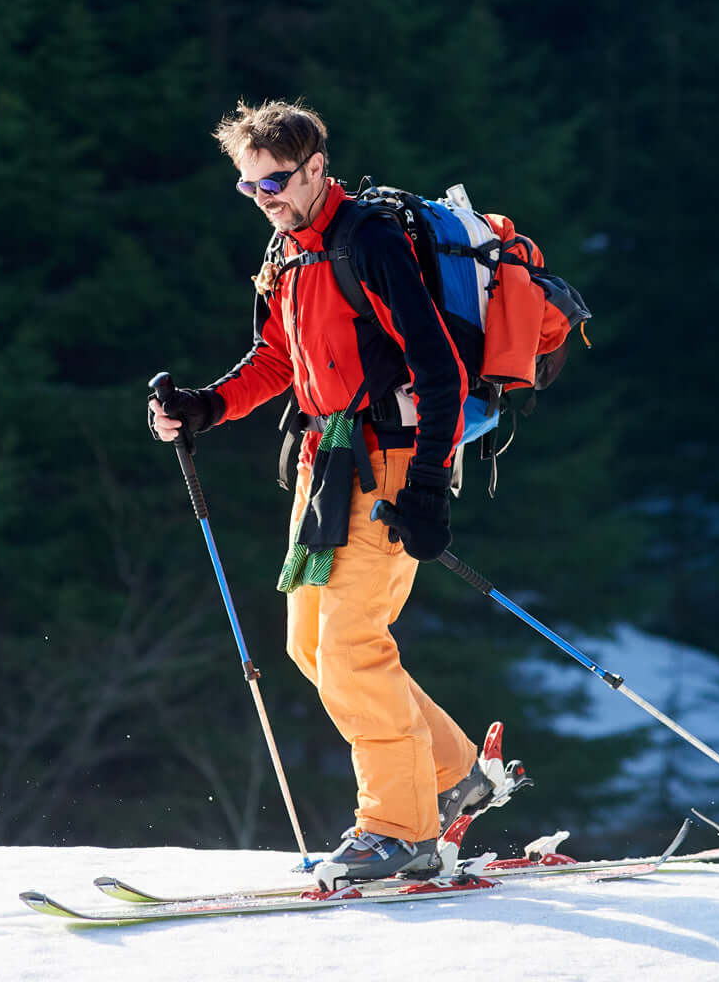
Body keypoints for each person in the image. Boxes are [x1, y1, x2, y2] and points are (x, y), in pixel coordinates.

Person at [149, 99, 496, 886]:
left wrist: (431, 488)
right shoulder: (288, 252)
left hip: (390, 462)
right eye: (248, 187)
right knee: (309, 644)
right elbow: (275, 360)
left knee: (348, 645)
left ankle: (398, 829)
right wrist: (202, 406)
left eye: (274, 181)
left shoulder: (366, 241)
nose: (263, 197)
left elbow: (440, 372)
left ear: (315, 168)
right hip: (325, 463)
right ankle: (449, 776)